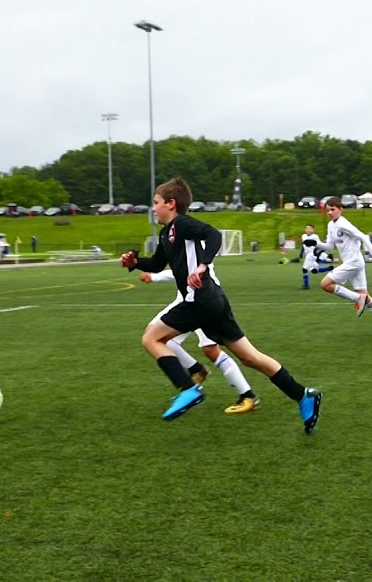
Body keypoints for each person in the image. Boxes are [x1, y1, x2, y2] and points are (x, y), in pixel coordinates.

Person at [121, 176, 321, 433]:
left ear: (170, 204)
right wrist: (135, 263)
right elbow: (158, 264)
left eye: (156, 202)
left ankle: (188, 388)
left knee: (151, 338)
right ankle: (304, 396)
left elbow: (213, 235)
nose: (153, 207)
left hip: (200, 300)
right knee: (250, 357)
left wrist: (202, 265)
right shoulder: (167, 233)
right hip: (213, 301)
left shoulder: (182, 224)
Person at [139, 266, 260, 414]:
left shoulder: (196, 243)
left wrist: (154, 276)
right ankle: (196, 370)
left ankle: (247, 396)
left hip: (204, 298)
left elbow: (191, 267)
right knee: (157, 337)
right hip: (186, 299)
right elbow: (179, 268)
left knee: (211, 350)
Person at [309, 197, 372, 335]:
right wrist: (315, 243)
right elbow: (329, 246)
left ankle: (358, 299)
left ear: (341, 209)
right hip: (353, 263)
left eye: (333, 209)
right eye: (327, 210)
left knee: (325, 284)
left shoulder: (343, 223)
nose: (330, 212)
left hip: (353, 262)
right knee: (365, 295)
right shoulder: (331, 225)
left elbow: (363, 237)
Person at [299, 224, 323, 289]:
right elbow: (303, 245)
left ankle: (306, 285)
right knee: (314, 270)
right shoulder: (303, 236)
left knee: (304, 269)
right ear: (305, 230)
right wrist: (301, 253)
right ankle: (330, 269)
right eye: (307, 228)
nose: (308, 230)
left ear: (313, 230)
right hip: (307, 255)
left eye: (310, 228)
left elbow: (319, 246)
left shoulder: (315, 237)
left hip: (312, 254)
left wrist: (317, 255)